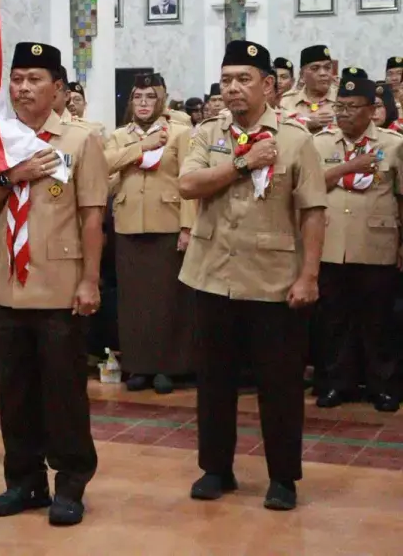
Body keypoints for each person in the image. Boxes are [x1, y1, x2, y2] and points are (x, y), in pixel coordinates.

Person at [178, 39, 326, 512]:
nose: (234, 89)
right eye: (227, 80)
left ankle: (283, 477)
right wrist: (242, 163)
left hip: (272, 279)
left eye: (244, 79)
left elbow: (313, 213)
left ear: (268, 85)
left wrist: (309, 276)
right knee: (214, 380)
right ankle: (215, 468)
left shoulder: (296, 139)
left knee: (279, 385)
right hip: (211, 274)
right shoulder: (207, 134)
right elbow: (188, 183)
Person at [0, 42, 107, 527]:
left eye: (34, 80)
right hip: (6, 283)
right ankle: (23, 481)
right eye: (17, 79)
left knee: (63, 392)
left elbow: (92, 215)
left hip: (58, 285)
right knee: (14, 390)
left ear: (59, 89)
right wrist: (12, 175)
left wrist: (90, 280)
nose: (23, 88)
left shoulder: (81, 138)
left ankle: (70, 482)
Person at [313, 77, 401, 413]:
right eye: (340, 107)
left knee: (378, 320)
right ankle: (338, 384)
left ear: (372, 109)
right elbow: (309, 185)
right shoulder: (320, 144)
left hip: (376, 242)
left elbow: (400, 194)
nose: (344, 114)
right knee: (334, 319)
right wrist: (349, 167)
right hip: (331, 243)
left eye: (352, 107)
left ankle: (383, 387)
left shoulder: (393, 144)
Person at [105, 74, 195, 394]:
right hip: (129, 224)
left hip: (168, 223)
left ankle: (168, 368)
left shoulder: (180, 134)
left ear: (162, 100)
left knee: (168, 300)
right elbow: (104, 166)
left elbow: (190, 183)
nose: (143, 104)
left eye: (150, 97)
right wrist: (140, 147)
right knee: (133, 301)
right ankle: (138, 366)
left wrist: (187, 227)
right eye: (138, 97)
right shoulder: (119, 136)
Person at [280, 45, 336, 131]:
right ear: (302, 75)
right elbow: (280, 132)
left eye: (327, 67)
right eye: (315, 68)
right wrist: (306, 123)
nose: (323, 73)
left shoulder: (343, 101)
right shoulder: (286, 102)